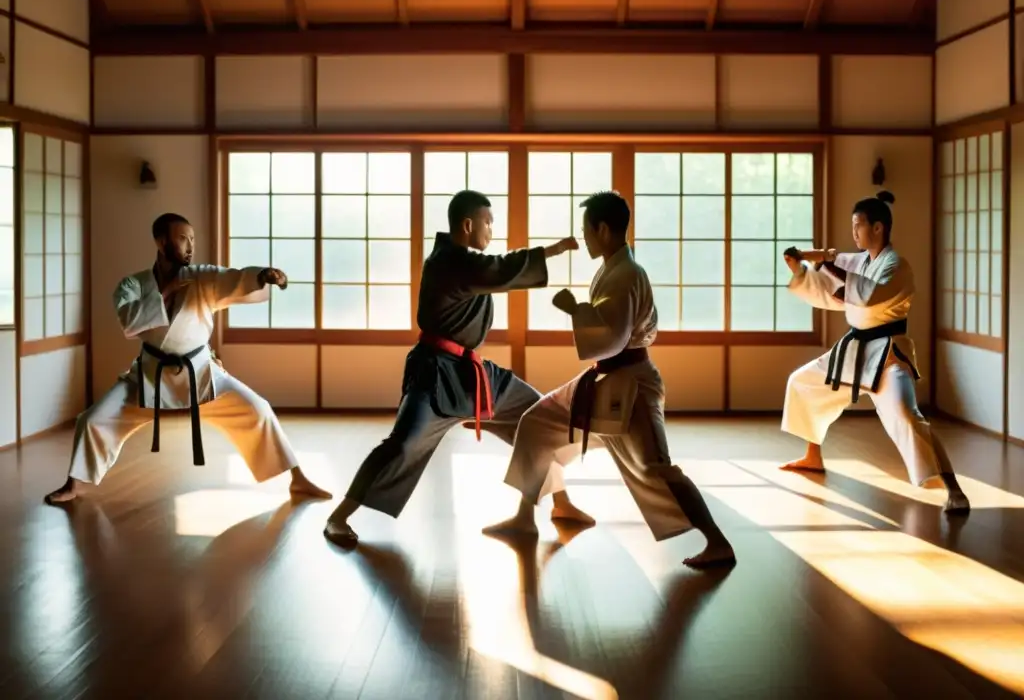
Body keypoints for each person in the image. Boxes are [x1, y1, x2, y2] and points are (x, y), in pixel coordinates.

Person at [482, 191, 736, 569]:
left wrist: (577, 310)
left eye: (586, 231)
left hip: (631, 384)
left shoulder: (627, 274)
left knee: (656, 467)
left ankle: (717, 542)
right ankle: (526, 516)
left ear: (602, 229)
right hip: (603, 378)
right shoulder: (615, 269)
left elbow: (614, 338)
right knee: (536, 421)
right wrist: (581, 312)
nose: (583, 238)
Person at [323, 190, 591, 547]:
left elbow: (494, 271)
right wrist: (551, 251)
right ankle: (337, 517)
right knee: (403, 445)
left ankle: (560, 504)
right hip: (435, 374)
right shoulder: (450, 262)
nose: (492, 230)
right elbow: (499, 269)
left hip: (472, 373)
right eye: (488, 222)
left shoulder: (465, 262)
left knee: (538, 417)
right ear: (468, 224)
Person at [44, 213, 331, 504]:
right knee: (93, 419)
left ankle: (298, 479)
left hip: (201, 373)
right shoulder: (133, 284)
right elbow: (129, 323)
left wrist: (260, 276)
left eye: (192, 239)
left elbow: (232, 279)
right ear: (161, 241)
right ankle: (74, 484)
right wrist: (165, 290)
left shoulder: (201, 277)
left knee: (258, 409)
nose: (190, 246)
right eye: (183, 239)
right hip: (149, 375)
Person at [779, 190, 970, 514]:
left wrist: (827, 265)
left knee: (907, 413)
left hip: (888, 353)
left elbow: (865, 294)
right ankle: (813, 455)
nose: (854, 233)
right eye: (853, 226)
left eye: (859, 225)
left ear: (878, 228)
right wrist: (801, 269)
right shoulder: (859, 260)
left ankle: (953, 488)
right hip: (856, 348)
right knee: (803, 383)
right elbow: (833, 286)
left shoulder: (897, 266)